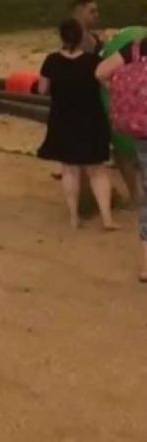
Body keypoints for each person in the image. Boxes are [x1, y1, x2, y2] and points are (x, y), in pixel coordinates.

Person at [39, 19, 116, 230]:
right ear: (81, 37)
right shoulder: (92, 62)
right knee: (97, 170)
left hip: (63, 119)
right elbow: (108, 86)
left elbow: (42, 89)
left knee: (70, 170)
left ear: (62, 37)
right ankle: (107, 219)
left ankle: (74, 217)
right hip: (91, 118)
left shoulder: (52, 61)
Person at [97, 33, 147, 280]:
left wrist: (118, 93)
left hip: (142, 129)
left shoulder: (135, 46)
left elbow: (100, 72)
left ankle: (146, 265)